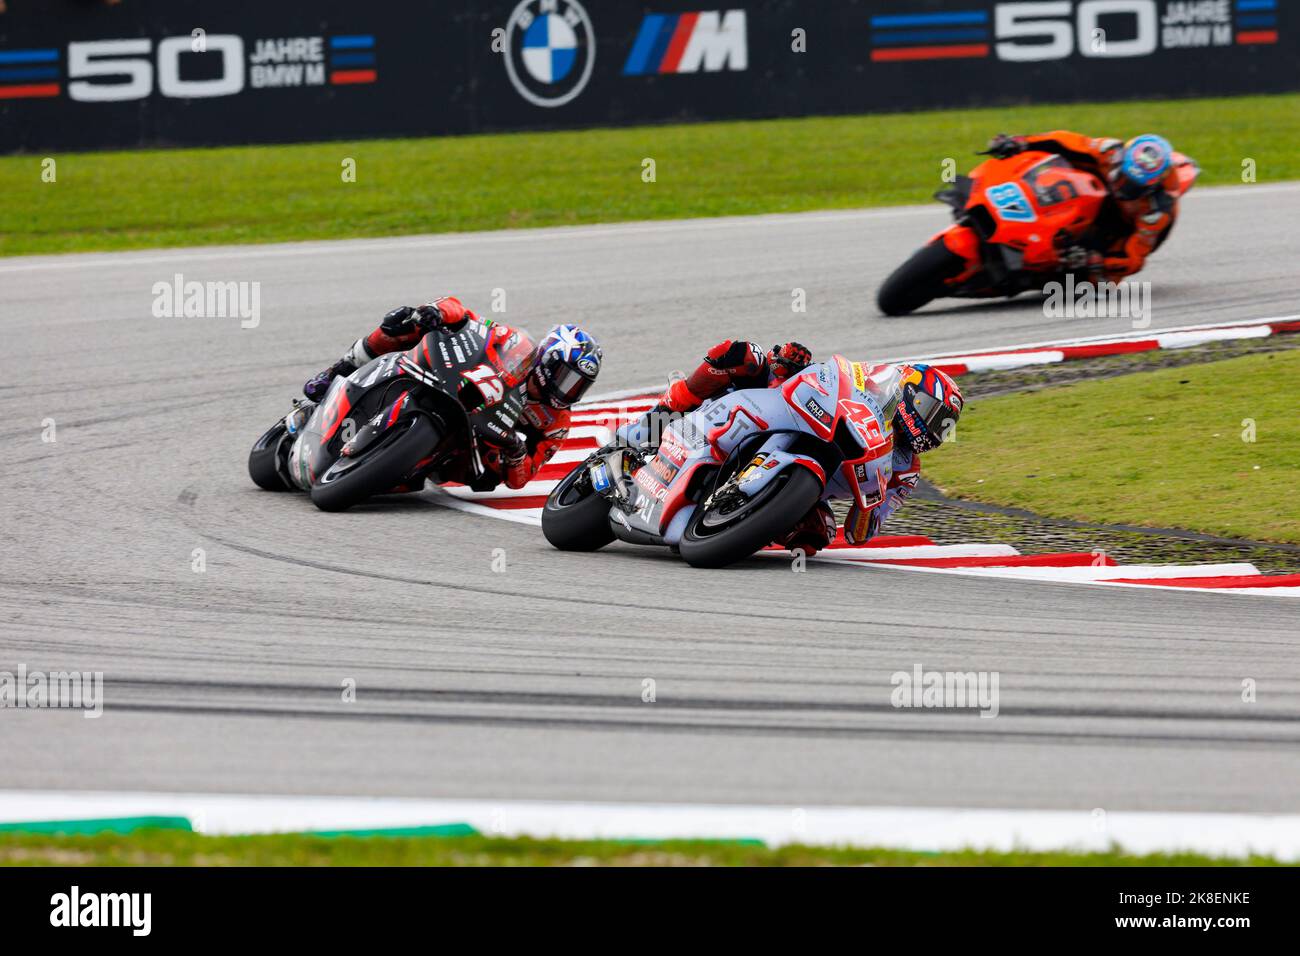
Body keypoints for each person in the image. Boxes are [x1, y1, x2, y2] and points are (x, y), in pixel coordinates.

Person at [632, 339, 962, 555]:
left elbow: (862, 532)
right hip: (774, 412)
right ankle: (665, 411)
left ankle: (739, 525)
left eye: (942, 426)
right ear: (910, 395)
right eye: (933, 415)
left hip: (804, 491)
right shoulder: (871, 386)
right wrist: (789, 362)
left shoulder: (906, 470)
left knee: (816, 534)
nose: (934, 430)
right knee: (741, 354)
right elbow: (830, 379)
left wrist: (870, 506)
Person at [300, 296, 602, 490]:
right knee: (401, 325)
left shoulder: (556, 421)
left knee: (483, 477)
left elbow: (521, 479)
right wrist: (436, 312)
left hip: (478, 444)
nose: (569, 390)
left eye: (578, 386)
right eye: (567, 379)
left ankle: (394, 463)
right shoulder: (515, 343)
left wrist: (515, 450)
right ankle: (336, 371)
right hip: (453, 381)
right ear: (547, 360)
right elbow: (469, 319)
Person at [983, 131, 1197, 281]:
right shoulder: (1110, 151)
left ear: (1152, 188)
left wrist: (1100, 261)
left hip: (1115, 231)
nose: (1122, 186)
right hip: (1085, 191)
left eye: (1132, 186)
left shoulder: (1156, 211)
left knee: (1093, 285)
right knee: (1036, 160)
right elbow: (1063, 141)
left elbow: (1134, 257)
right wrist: (1022, 141)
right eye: (1122, 176)